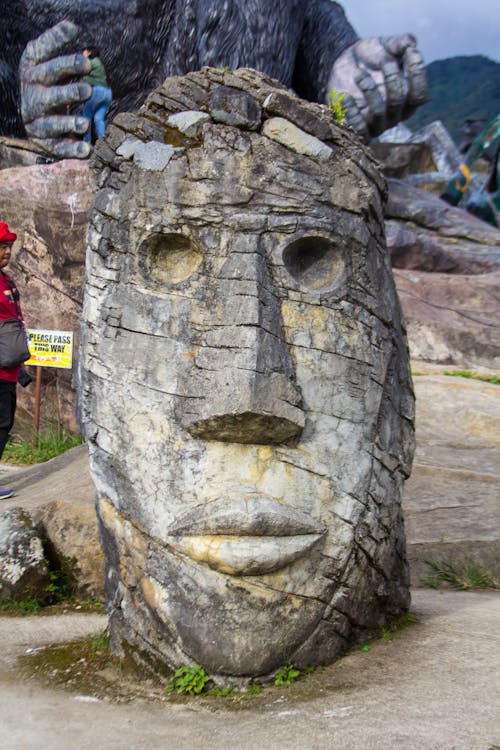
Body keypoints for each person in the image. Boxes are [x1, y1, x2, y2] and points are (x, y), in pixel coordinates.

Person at [0, 222, 26, 499]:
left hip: (8, 369)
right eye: (2, 247)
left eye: (8, 247)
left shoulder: (5, 280)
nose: (6, 252)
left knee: (4, 423)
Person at [81, 45, 112, 144]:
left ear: (89, 52)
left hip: (98, 91)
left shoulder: (94, 62)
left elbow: (82, 68)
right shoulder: (100, 63)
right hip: (107, 93)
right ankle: (103, 144)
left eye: (84, 51)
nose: (82, 53)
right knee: (98, 119)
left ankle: (86, 143)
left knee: (87, 116)